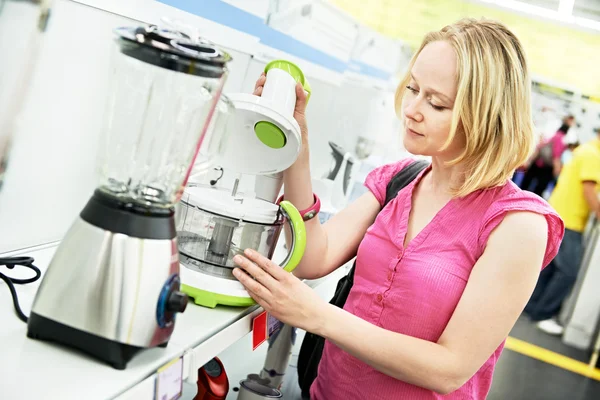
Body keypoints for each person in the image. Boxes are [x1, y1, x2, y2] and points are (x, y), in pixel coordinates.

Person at [232, 19, 564, 399]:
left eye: (436, 102)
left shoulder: (517, 224)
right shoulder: (400, 180)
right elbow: (313, 257)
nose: (412, 109)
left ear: (487, 116)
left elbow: (449, 369)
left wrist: (317, 315)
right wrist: (297, 139)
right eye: (413, 88)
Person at [525, 127, 600, 335]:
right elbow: (589, 190)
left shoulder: (586, 150)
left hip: (560, 214)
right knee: (568, 272)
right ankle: (543, 314)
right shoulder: (593, 155)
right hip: (570, 220)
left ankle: (532, 307)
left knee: (550, 267)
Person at [519, 115, 576, 196]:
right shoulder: (560, 139)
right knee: (539, 190)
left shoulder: (552, 135)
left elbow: (539, 147)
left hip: (537, 162)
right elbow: (556, 155)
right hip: (546, 167)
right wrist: (557, 170)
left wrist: (529, 161)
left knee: (525, 185)